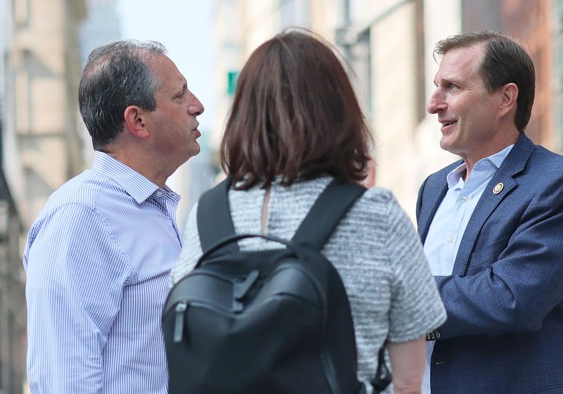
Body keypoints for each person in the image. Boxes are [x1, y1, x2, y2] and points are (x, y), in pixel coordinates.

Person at [170, 29, 446, 394]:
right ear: (339, 109)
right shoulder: (376, 216)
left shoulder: (206, 216)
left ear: (245, 115)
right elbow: (409, 381)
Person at [416, 30, 563, 393]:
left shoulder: (560, 183)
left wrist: (398, 298)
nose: (434, 104)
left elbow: (511, 298)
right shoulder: (433, 189)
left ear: (505, 98)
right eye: (436, 87)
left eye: (452, 87)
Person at [23, 40, 204, 393]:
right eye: (180, 96)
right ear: (137, 120)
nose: (197, 106)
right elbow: (65, 380)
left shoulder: (154, 209)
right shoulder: (81, 216)